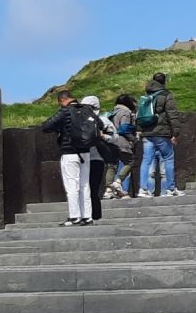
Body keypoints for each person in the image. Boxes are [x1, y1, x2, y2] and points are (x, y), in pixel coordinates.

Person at [42, 90, 100, 226]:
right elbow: (100, 126)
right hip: (85, 152)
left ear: (63, 100)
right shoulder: (87, 110)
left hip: (69, 153)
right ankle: (87, 217)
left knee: (72, 186)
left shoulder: (65, 111)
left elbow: (46, 126)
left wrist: (60, 129)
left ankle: (75, 216)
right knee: (85, 185)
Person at [138, 72, 184, 196]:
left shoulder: (147, 95)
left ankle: (143, 189)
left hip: (147, 133)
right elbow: (172, 114)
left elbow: (140, 114)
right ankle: (170, 188)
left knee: (146, 160)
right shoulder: (166, 95)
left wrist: (139, 129)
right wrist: (175, 132)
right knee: (168, 159)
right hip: (162, 133)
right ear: (164, 82)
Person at [81, 95, 115, 221]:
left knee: (93, 189)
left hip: (96, 159)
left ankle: (95, 215)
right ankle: (85, 214)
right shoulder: (79, 121)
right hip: (82, 159)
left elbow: (114, 137)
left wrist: (102, 136)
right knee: (83, 189)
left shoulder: (103, 121)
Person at [105, 94, 137, 199]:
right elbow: (124, 128)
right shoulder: (125, 112)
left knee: (112, 164)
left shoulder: (112, 112)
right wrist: (132, 138)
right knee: (130, 162)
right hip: (122, 141)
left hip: (111, 141)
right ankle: (118, 182)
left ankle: (108, 189)